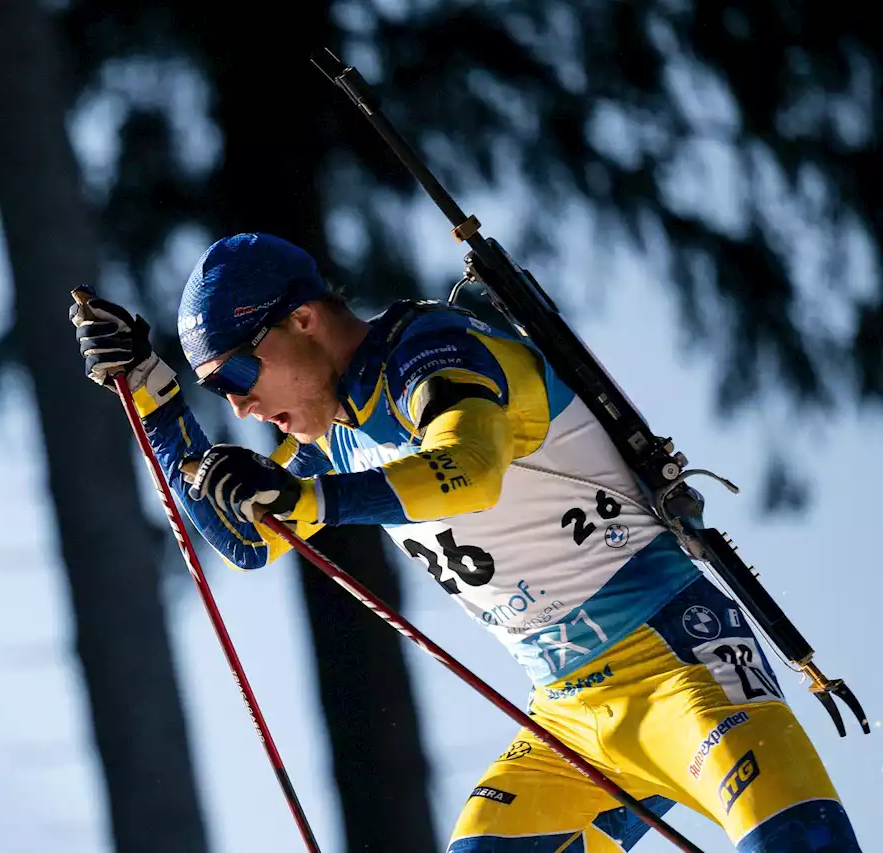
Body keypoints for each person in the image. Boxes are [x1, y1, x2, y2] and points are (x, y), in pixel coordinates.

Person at [69, 232, 861, 852]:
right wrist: (155, 396)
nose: (239, 407)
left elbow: (470, 466)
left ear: (302, 319)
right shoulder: (333, 432)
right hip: (568, 710)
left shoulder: (429, 349)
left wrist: (315, 498)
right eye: (219, 390)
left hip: (680, 668)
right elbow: (250, 542)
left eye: (238, 374)